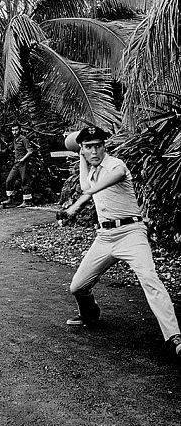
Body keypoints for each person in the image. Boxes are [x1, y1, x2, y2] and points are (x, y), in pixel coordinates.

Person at [62, 125, 181, 357]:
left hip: (131, 233)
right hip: (105, 237)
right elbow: (86, 186)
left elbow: (100, 186)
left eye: (98, 146)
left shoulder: (116, 165)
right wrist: (81, 158)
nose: (94, 152)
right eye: (88, 147)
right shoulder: (92, 169)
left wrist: (75, 207)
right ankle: (90, 315)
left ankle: (174, 337)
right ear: (83, 150)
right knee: (77, 286)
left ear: (105, 147)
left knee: (150, 279)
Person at [2, 122, 33, 208]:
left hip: (23, 163)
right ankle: (10, 199)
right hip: (16, 163)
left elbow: (30, 151)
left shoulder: (24, 139)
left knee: (24, 181)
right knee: (9, 180)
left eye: (16, 130)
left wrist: (23, 159)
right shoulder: (15, 140)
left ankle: (27, 201)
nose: (14, 132)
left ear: (20, 130)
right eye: (13, 130)